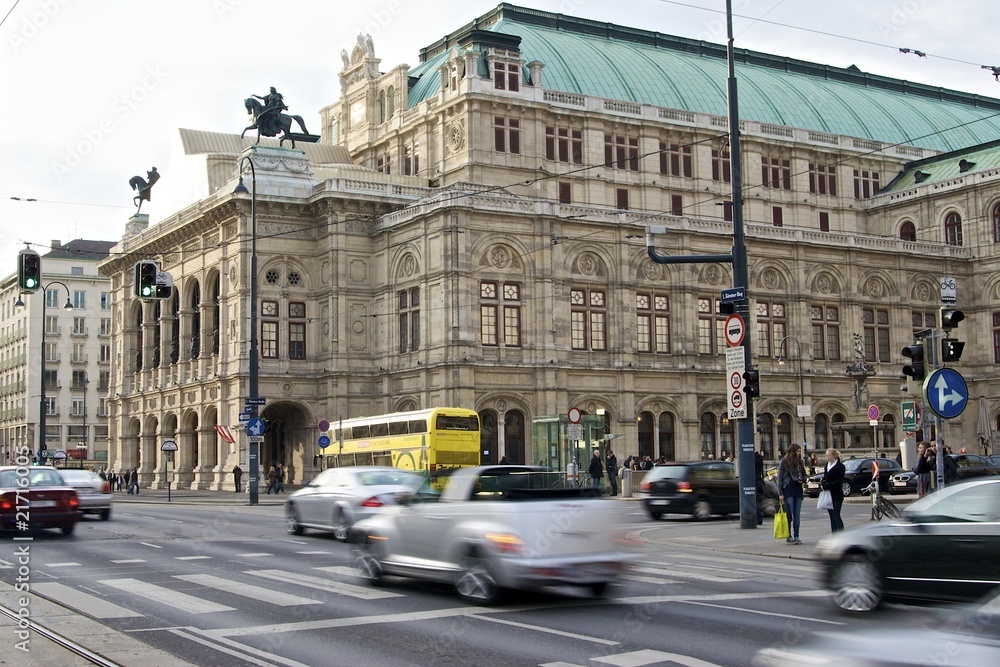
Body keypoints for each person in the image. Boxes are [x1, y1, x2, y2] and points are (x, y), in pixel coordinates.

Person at [778, 443, 806, 544]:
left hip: (798, 490)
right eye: (797, 451)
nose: (799, 453)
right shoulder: (784, 462)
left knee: (797, 514)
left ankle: (797, 535)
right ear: (792, 452)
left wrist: (802, 479)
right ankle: (789, 535)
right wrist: (780, 493)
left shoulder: (800, 462)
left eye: (800, 451)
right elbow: (780, 478)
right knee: (789, 515)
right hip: (788, 490)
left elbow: (804, 476)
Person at [821, 448, 846, 532]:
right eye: (826, 456)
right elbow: (825, 477)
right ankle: (834, 534)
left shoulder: (840, 467)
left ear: (834, 456)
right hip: (828, 494)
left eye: (829, 455)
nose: (827, 457)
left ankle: (841, 533)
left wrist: (827, 486)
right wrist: (823, 483)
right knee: (831, 516)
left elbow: (838, 481)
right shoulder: (827, 466)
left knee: (836, 515)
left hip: (836, 494)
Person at [754, 450, 765, 525]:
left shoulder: (757, 458)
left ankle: (758, 518)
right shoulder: (758, 458)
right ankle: (758, 518)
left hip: (756, 481)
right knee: (756, 501)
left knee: (755, 501)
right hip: (758, 481)